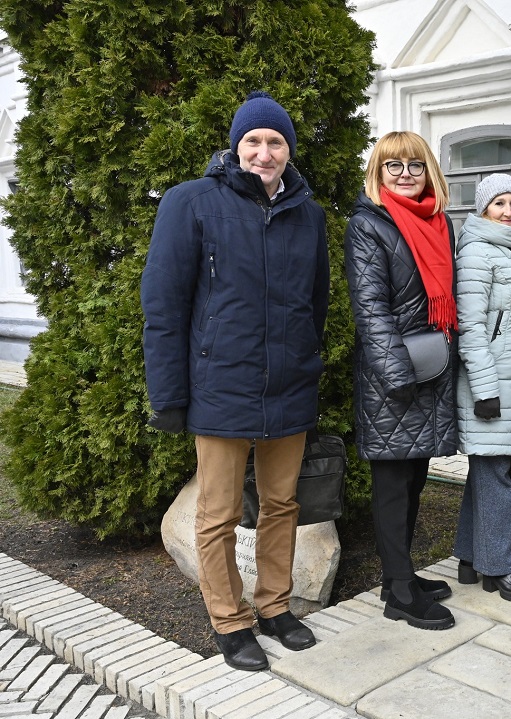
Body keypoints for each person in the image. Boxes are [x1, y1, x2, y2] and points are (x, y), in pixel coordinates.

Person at [141, 91, 326, 670]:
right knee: (218, 512)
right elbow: (164, 305)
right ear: (235, 146)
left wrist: (306, 358)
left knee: (282, 503)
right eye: (253, 141)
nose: (264, 153)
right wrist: (168, 394)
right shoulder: (191, 202)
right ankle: (230, 620)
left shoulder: (308, 214)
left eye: (275, 142)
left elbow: (316, 302)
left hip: (289, 385)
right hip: (221, 384)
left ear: (288, 150)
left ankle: (274, 607)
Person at [345, 131, 457, 630]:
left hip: (430, 368)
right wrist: (398, 375)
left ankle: (399, 577)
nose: (406, 174)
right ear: (379, 173)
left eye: (415, 165)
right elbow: (370, 309)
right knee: (392, 485)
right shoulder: (369, 224)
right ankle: (400, 594)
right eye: (394, 166)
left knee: (414, 480)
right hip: (393, 376)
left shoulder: (439, 222)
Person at [453, 174, 511, 603]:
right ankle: (501, 568)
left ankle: (471, 558)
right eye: (499, 203)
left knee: (487, 472)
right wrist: (485, 390)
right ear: (483, 209)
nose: (508, 211)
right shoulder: (477, 251)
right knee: (496, 476)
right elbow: (471, 328)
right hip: (488, 385)